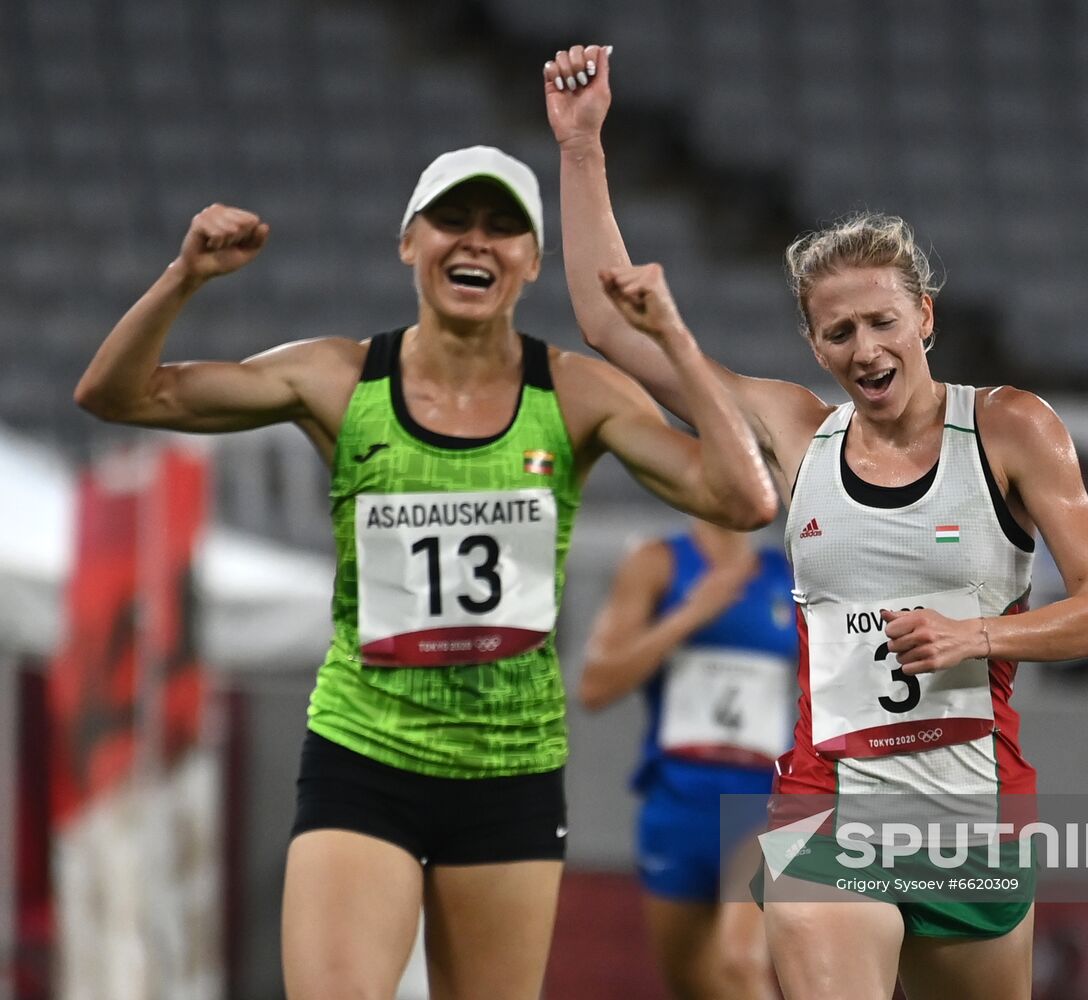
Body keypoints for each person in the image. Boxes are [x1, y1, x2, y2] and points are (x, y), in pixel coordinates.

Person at [74, 144, 777, 1000]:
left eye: (502, 228)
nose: (475, 242)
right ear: (409, 241)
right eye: (453, 221)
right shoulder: (337, 377)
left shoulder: (578, 394)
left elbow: (744, 500)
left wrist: (671, 336)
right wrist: (184, 277)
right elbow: (117, 395)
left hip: (509, 770)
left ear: (532, 263)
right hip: (366, 751)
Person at [545, 45, 1088, 1000]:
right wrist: (580, 148)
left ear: (924, 318)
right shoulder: (796, 431)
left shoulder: (1012, 428)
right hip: (830, 802)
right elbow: (612, 329)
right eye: (838, 332)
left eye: (882, 322)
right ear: (813, 343)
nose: (865, 348)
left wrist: (972, 633)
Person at [579, 517, 795, 999]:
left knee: (740, 960)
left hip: (769, 805)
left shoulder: (791, 571)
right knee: (695, 982)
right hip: (679, 799)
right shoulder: (658, 563)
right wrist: (691, 614)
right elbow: (596, 685)